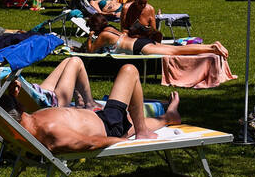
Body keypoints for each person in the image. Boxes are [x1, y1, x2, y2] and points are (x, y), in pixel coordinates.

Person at [16, 63, 181, 151]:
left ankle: (169, 117)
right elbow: (91, 142)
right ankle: (147, 128)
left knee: (133, 119)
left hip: (102, 118)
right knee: (129, 70)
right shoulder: (50, 131)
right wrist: (121, 142)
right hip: (109, 125)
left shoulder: (32, 119)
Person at [83, 11, 230, 58]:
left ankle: (212, 48)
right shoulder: (110, 29)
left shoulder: (103, 35)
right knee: (175, 50)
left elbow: (90, 50)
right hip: (141, 42)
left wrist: (90, 36)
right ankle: (211, 47)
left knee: (176, 52)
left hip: (139, 47)